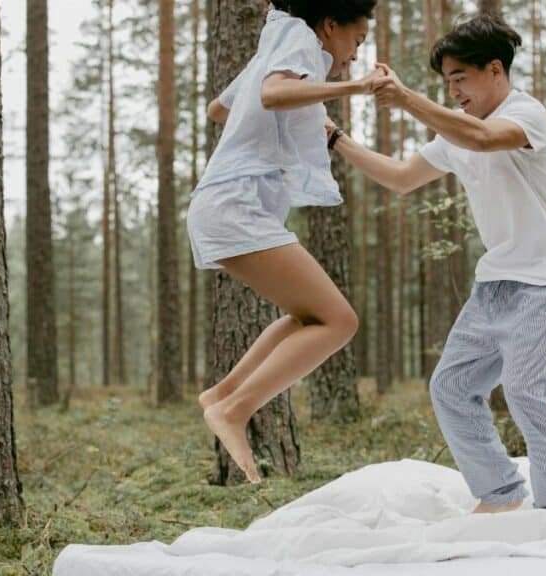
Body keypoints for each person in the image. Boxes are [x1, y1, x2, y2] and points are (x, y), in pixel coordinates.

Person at [328, 14, 546, 513]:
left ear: (495, 70)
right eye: (446, 83)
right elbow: (402, 177)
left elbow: (484, 138)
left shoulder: (526, 113)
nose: (453, 92)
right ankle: (501, 495)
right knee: (451, 387)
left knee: (525, 393)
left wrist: (406, 99)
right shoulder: (455, 132)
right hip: (493, 285)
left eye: (459, 79)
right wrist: (337, 138)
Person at [189, 0, 381, 484]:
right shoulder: (299, 38)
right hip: (235, 206)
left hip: (228, 203)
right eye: (357, 40)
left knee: (309, 318)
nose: (355, 55)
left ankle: (222, 395)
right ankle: (234, 409)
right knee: (339, 321)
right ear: (330, 25)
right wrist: (354, 88)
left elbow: (218, 109)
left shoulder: (274, 48)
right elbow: (274, 93)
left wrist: (272, 115)